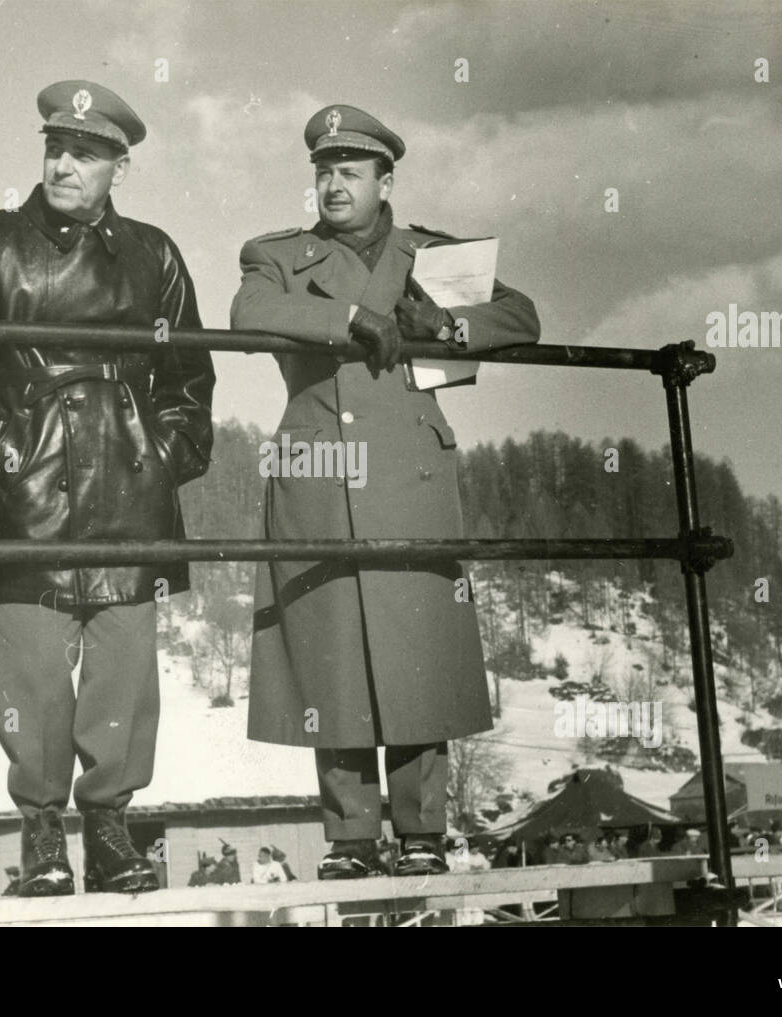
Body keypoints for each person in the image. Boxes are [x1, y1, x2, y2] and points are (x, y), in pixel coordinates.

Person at [0, 80, 214, 899]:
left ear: (122, 163)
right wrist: (5, 453)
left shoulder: (155, 254)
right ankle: (42, 832)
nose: (64, 163)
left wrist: (161, 454)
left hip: (130, 497)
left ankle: (110, 826)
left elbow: (191, 378)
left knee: (122, 674)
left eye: (85, 151)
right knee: (32, 680)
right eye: (55, 146)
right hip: (22, 495)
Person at [232, 104, 539, 881]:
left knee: (415, 647)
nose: (334, 185)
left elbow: (521, 314)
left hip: (409, 470)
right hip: (320, 471)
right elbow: (252, 310)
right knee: (330, 647)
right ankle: (350, 838)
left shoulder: (429, 255)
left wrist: (449, 323)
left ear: (385, 179)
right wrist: (352, 318)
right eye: (324, 172)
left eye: (350, 171)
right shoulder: (278, 255)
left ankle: (422, 829)